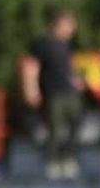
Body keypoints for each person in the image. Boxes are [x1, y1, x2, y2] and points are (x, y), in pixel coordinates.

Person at [22, 9, 85, 179]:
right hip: (53, 92)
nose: (71, 31)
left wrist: (76, 80)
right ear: (58, 25)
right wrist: (31, 89)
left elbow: (70, 68)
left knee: (76, 124)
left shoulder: (68, 46)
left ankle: (69, 159)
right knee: (56, 129)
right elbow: (30, 67)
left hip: (70, 92)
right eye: (68, 26)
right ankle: (52, 161)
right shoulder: (42, 44)